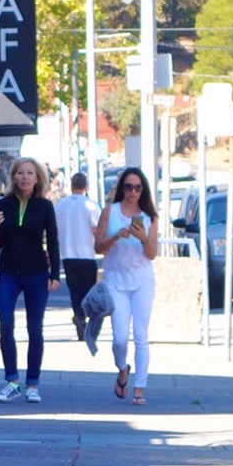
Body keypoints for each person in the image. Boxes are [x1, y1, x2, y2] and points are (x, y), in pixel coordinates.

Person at [0, 157, 61, 403]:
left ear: (37, 177)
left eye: (30, 173)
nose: (25, 177)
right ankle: (12, 381)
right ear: (13, 177)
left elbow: (52, 241)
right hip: (8, 272)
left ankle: (32, 384)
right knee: (6, 325)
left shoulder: (44, 206)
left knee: (35, 329)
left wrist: (55, 275)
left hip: (36, 273)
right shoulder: (4, 204)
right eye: (20, 173)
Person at [91, 166, 158, 405]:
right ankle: (122, 368)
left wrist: (142, 237)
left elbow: (152, 254)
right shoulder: (110, 211)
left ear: (143, 190)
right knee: (120, 338)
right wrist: (116, 236)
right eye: (128, 187)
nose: (133, 192)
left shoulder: (149, 217)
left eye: (137, 188)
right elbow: (98, 247)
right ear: (122, 188)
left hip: (142, 282)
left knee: (141, 335)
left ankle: (139, 388)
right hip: (116, 281)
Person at [54, 172, 99, 340]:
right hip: (87, 253)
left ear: (71, 186)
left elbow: (55, 228)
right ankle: (83, 316)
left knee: (74, 289)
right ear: (85, 186)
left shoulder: (61, 205)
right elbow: (96, 229)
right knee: (88, 288)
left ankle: (78, 315)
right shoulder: (92, 206)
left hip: (68, 253)